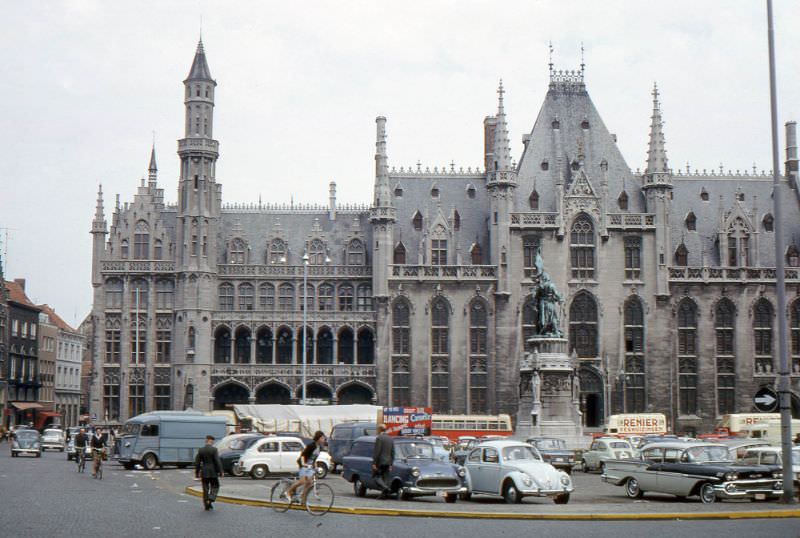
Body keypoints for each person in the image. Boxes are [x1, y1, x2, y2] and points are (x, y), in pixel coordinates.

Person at [284, 431, 326, 504]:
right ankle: (288, 492)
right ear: (318, 438)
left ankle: (303, 500)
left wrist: (315, 467)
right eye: (322, 438)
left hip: (310, 466)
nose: (323, 439)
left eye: (323, 438)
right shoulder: (311, 446)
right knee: (302, 481)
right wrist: (304, 464)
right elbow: (303, 455)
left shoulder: (319, 447)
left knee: (309, 483)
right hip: (303, 464)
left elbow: (314, 459)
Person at [194, 435, 223, 511]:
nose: (213, 442)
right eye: (212, 441)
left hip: (204, 472)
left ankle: (206, 503)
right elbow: (217, 461)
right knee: (215, 486)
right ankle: (211, 498)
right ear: (210, 441)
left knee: (205, 488)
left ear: (206, 441)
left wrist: (196, 473)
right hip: (213, 472)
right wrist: (221, 471)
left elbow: (197, 463)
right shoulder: (214, 450)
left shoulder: (201, 450)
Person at [372, 424, 395, 499]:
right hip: (388, 462)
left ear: (379, 430)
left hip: (380, 462)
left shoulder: (379, 438)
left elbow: (377, 452)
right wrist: (391, 464)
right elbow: (393, 452)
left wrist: (374, 463)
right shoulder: (390, 438)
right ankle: (383, 496)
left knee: (376, 477)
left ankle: (386, 488)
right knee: (385, 479)